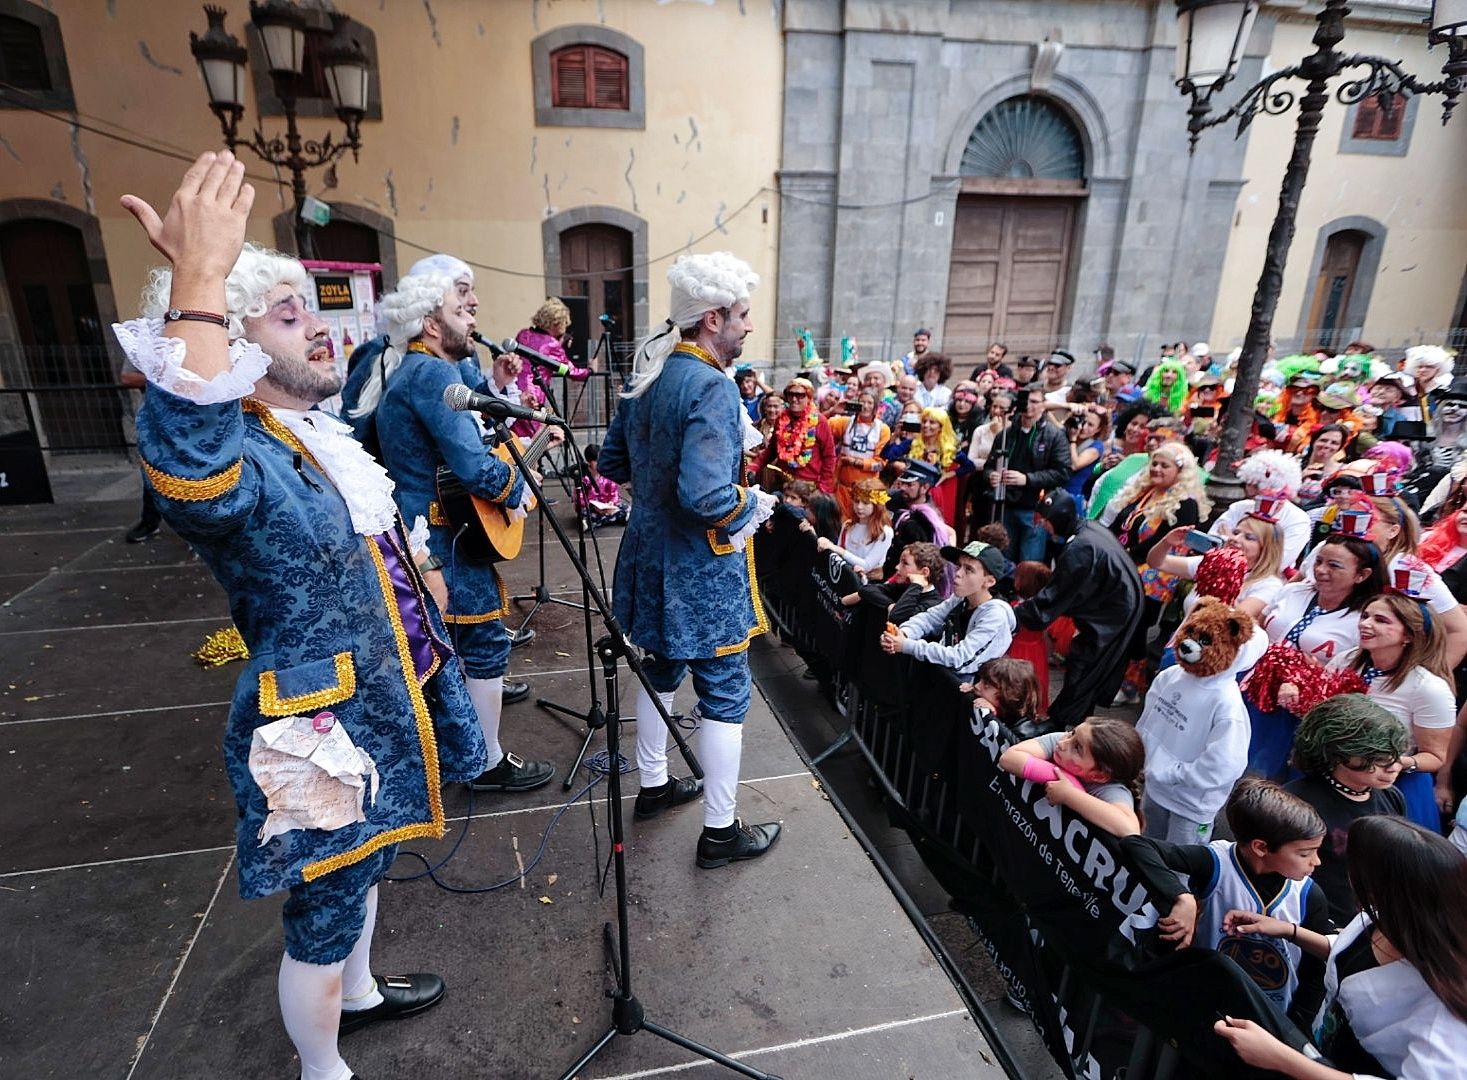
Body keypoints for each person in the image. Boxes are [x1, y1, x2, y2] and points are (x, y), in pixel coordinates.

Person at [114, 152, 486, 1080]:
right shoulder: (230, 442)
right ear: (233, 346)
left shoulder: (305, 432)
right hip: (317, 720)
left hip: (381, 692)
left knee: (365, 865)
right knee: (323, 906)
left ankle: (358, 997)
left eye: (313, 310)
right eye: (288, 316)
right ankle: (324, 1071)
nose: (320, 331)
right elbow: (190, 478)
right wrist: (198, 282)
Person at [598, 250, 783, 868]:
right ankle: (721, 832)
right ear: (711, 318)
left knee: (661, 669)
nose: (748, 326)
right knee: (726, 691)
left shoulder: (648, 376)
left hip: (650, 554)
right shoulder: (709, 385)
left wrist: (654, 489)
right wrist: (752, 503)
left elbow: (612, 463)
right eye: (742, 315)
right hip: (701, 570)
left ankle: (652, 789)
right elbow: (705, 496)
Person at [369, 272, 554, 794]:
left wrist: (496, 389)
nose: (473, 313)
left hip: (430, 522)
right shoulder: (429, 375)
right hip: (442, 532)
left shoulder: (418, 371)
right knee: (482, 637)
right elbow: (473, 467)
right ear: (430, 323)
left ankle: (457, 748)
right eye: (460, 308)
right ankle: (485, 762)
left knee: (448, 641)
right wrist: (516, 486)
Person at [1213, 817, 1467, 1080]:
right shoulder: (1389, 918)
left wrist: (1279, 1058)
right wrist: (1290, 931)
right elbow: (1355, 958)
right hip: (1323, 1047)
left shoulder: (1447, 1008)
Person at [1121, 779, 1332, 1028]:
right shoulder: (1216, 863)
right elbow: (1137, 844)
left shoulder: (1309, 896)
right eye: (1305, 854)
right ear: (1261, 847)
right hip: (1204, 1008)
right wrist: (1182, 896)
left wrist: (1296, 1026)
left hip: (1270, 1021)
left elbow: (1315, 972)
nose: (1316, 862)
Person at [1244, 531, 1386, 778]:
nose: (1321, 570)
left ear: (1362, 575)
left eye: (1334, 565)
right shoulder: (1293, 592)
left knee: (1271, 781)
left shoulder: (1362, 620)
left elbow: (1351, 674)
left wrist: (1306, 675)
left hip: (1300, 713)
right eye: (1319, 561)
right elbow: (1260, 625)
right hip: (1254, 690)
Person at [1014, 490, 1144, 732]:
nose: (1044, 527)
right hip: (1117, 602)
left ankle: (1062, 722)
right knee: (1087, 664)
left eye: (1046, 522)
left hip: (1115, 612)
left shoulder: (1080, 549)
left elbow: (1053, 597)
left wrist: (1014, 614)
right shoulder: (1086, 531)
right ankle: (1072, 719)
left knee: (1085, 665)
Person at [1330, 592, 1456, 828]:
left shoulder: (1429, 688)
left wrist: (1396, 762)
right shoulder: (1344, 661)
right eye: (1366, 616)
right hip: (1332, 776)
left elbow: (1436, 757)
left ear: (1408, 635)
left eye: (1381, 620)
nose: (1365, 624)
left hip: (1390, 790)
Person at [1284, 695, 1408, 927]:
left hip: (1375, 921)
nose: (1393, 767)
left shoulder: (1392, 797)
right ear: (1338, 753)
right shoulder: (1297, 801)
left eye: (1395, 756)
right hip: (1316, 922)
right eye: (1378, 759)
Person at [1106, 442, 1211, 704]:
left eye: (1164, 465)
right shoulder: (1144, 493)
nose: (1157, 469)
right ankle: (1113, 676)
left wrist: (1124, 557)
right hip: (1125, 567)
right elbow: (1121, 524)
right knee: (1120, 624)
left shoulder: (1185, 503)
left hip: (1153, 577)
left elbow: (1163, 541)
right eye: (1154, 463)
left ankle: (1132, 686)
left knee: (1137, 629)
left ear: (1181, 470)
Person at [880, 541, 1015, 680]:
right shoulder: (961, 598)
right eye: (959, 566)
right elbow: (931, 618)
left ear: (989, 582)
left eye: (968, 569)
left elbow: (959, 658)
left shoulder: (995, 615)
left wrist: (907, 645)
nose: (958, 573)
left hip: (970, 689)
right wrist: (903, 633)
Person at [998, 717, 1145, 835]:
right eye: (1073, 732)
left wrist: (1069, 794)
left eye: (1077, 748)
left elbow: (1129, 829)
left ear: (1099, 776)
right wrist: (1068, 780)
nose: (1063, 743)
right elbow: (1009, 758)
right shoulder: (1062, 740)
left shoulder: (1113, 790)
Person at [981, 388, 1072, 563]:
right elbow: (989, 466)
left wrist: (1027, 479)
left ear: (1044, 405)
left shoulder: (1054, 435)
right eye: (1026, 401)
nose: (1029, 406)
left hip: (1034, 509)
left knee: (1029, 562)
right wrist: (991, 475)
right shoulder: (1006, 434)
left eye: (1035, 402)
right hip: (1005, 506)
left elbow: (1063, 472)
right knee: (1004, 558)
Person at [1148, 512, 1286, 622]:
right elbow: (1157, 562)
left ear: (1267, 548)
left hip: (1216, 654)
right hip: (1180, 642)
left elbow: (1233, 621)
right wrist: (1166, 542)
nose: (1235, 539)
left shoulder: (1269, 585)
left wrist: (1227, 576)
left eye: (1249, 537)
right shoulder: (1213, 562)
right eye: (1236, 532)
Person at [1209, 449, 1313, 569]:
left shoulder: (1298, 519)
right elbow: (1211, 541)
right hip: (1221, 568)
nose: (1251, 491)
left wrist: (1230, 539)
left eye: (1258, 486)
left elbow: (1279, 561)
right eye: (1249, 484)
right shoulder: (1240, 507)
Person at [512, 296, 592, 436]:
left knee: (515, 442)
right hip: (533, 397)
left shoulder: (523, 334)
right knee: (532, 444)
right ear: (556, 324)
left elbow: (536, 352)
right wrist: (590, 370)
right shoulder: (551, 344)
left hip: (513, 392)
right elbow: (571, 371)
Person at [757, 376, 836, 493]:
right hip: (783, 482)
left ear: (809, 397)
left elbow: (829, 457)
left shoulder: (820, 421)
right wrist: (753, 467)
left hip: (808, 487)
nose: (794, 399)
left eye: (800, 395)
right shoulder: (781, 419)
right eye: (791, 394)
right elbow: (771, 451)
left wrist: (823, 487)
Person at [881, 458, 956, 577]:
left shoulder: (930, 517)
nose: (903, 488)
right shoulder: (890, 499)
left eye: (910, 484)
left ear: (925, 488)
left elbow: (949, 533)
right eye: (903, 483)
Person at [828, 387, 891, 514]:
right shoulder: (845, 422)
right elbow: (820, 426)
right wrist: (832, 411)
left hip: (867, 490)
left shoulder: (883, 429)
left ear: (875, 406)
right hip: (843, 487)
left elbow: (881, 464)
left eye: (869, 403)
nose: (865, 406)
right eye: (862, 402)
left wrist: (855, 462)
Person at [817, 476, 892, 580]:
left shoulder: (884, 532)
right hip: (843, 578)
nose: (859, 507)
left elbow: (866, 566)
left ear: (877, 505)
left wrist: (836, 549)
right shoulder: (848, 525)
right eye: (856, 501)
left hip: (865, 585)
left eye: (865, 503)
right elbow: (837, 557)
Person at [1005, 561, 1053, 714]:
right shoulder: (1044, 607)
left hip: (1017, 648)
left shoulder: (1017, 608)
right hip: (1037, 649)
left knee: (1014, 681)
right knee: (1036, 682)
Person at [1063, 405, 1109, 511]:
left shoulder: (1097, 446)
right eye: (1083, 421)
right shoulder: (1066, 433)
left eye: (1090, 425)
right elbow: (1044, 407)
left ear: (1098, 429)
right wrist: (1069, 407)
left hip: (1070, 497)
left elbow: (1075, 465)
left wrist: (1073, 440)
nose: (1084, 427)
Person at [578, 443, 627, 528]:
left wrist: (611, 503)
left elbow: (613, 493)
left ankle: (601, 520)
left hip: (607, 506)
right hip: (593, 509)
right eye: (596, 461)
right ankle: (594, 521)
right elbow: (580, 499)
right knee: (585, 513)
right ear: (588, 462)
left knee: (624, 507)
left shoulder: (607, 475)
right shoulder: (584, 479)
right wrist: (594, 506)